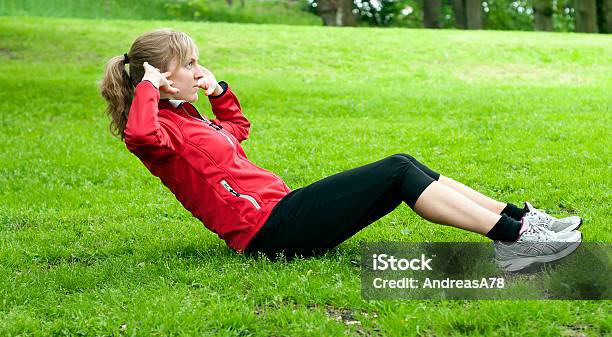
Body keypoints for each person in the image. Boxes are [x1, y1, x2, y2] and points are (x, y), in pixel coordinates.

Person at [100, 29, 582, 272]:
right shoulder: (156, 130)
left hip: (281, 211)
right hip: (266, 233)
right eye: (189, 64)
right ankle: (516, 241)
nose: (197, 69)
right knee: (396, 168)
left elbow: (236, 130)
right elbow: (139, 136)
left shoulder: (186, 117)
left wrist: (218, 89)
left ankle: (520, 221)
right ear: (159, 79)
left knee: (406, 165)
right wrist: (146, 88)